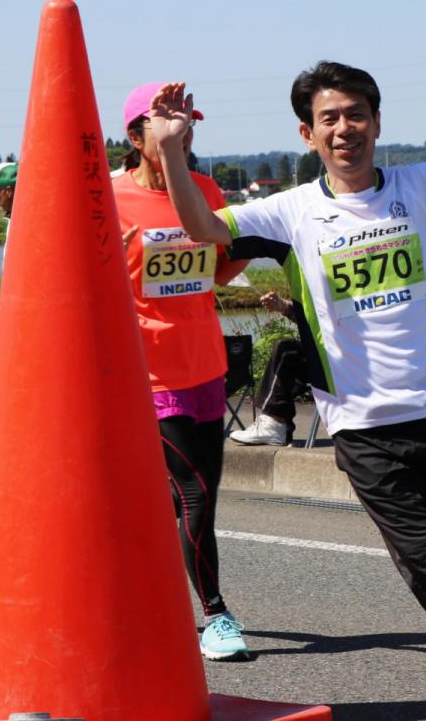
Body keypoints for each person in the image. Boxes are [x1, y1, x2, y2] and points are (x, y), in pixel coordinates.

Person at [154, 38, 426, 721]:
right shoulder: (288, 214)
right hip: (364, 431)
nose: (346, 128)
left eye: (357, 113)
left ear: (377, 122)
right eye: (330, 117)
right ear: (308, 133)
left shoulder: (422, 187)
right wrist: (170, 149)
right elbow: (196, 225)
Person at [112, 82, 251, 662]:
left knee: (184, 497)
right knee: (195, 493)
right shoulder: (108, 196)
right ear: (135, 135)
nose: (182, 131)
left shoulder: (204, 188)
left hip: (204, 362)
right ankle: (216, 614)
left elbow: (225, 265)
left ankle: (135, 600)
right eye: (167, 121)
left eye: (189, 121)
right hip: (146, 372)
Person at [229, 292, 305, 446]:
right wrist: (285, 307)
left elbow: (326, 322)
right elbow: (318, 319)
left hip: (344, 363)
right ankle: (277, 425)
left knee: (286, 350)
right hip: (330, 358)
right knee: (287, 351)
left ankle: (275, 424)